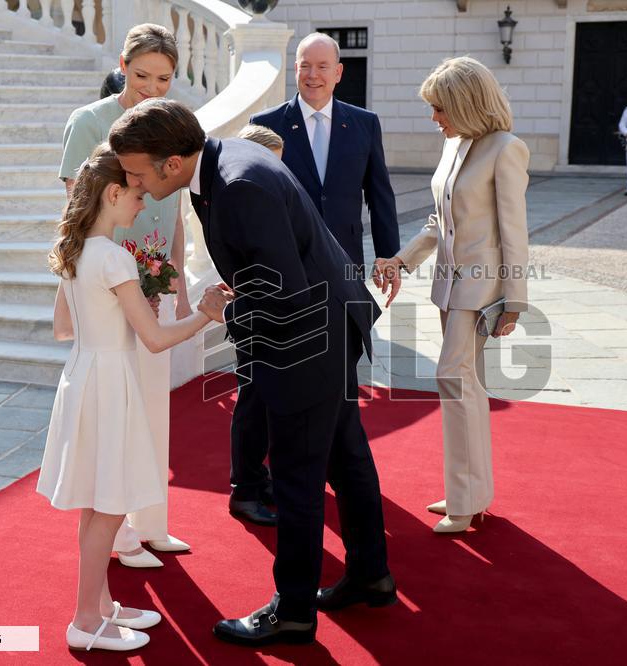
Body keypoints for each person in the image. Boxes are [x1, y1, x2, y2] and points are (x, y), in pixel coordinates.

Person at [109, 99, 396, 646]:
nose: (134, 182)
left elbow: (284, 292)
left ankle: (292, 612)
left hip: (308, 338)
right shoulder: (225, 159)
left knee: (296, 477)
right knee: (345, 458)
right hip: (328, 324)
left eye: (137, 171)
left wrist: (225, 312)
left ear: (172, 163)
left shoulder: (236, 184)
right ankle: (371, 575)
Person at [38, 145, 215, 652]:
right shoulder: (113, 257)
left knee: (97, 507)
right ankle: (83, 620)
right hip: (111, 383)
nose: (143, 203)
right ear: (113, 193)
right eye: (136, 193)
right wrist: (206, 314)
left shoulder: (76, 252)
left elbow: (63, 327)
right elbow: (156, 340)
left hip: (84, 377)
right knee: (109, 508)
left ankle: (100, 607)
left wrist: (121, 308)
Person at [231, 32, 400, 527]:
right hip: (283, 275)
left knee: (339, 379)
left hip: (344, 270)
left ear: (339, 71)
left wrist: (388, 256)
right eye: (305, 65)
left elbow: (380, 194)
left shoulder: (364, 124)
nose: (313, 74)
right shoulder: (265, 126)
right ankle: (247, 484)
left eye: (323, 66)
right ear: (296, 69)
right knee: (260, 382)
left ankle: (333, 469)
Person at [374, 56, 529, 533]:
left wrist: (515, 301)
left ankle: (465, 501)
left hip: (481, 290)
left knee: (453, 378)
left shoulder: (506, 149)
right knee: (466, 386)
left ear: (465, 103)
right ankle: (470, 493)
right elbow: (438, 224)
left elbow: (514, 232)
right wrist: (401, 261)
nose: (434, 118)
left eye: (439, 108)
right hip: (449, 286)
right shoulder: (454, 147)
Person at [58, 23, 191, 568]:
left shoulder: (173, 122)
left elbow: (176, 207)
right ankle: (116, 534)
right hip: (109, 280)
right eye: (140, 76)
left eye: (163, 79)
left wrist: (179, 276)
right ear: (121, 64)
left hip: (154, 281)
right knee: (115, 413)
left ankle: (151, 523)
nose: (151, 89)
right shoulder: (88, 122)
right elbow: (76, 210)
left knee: (152, 407)